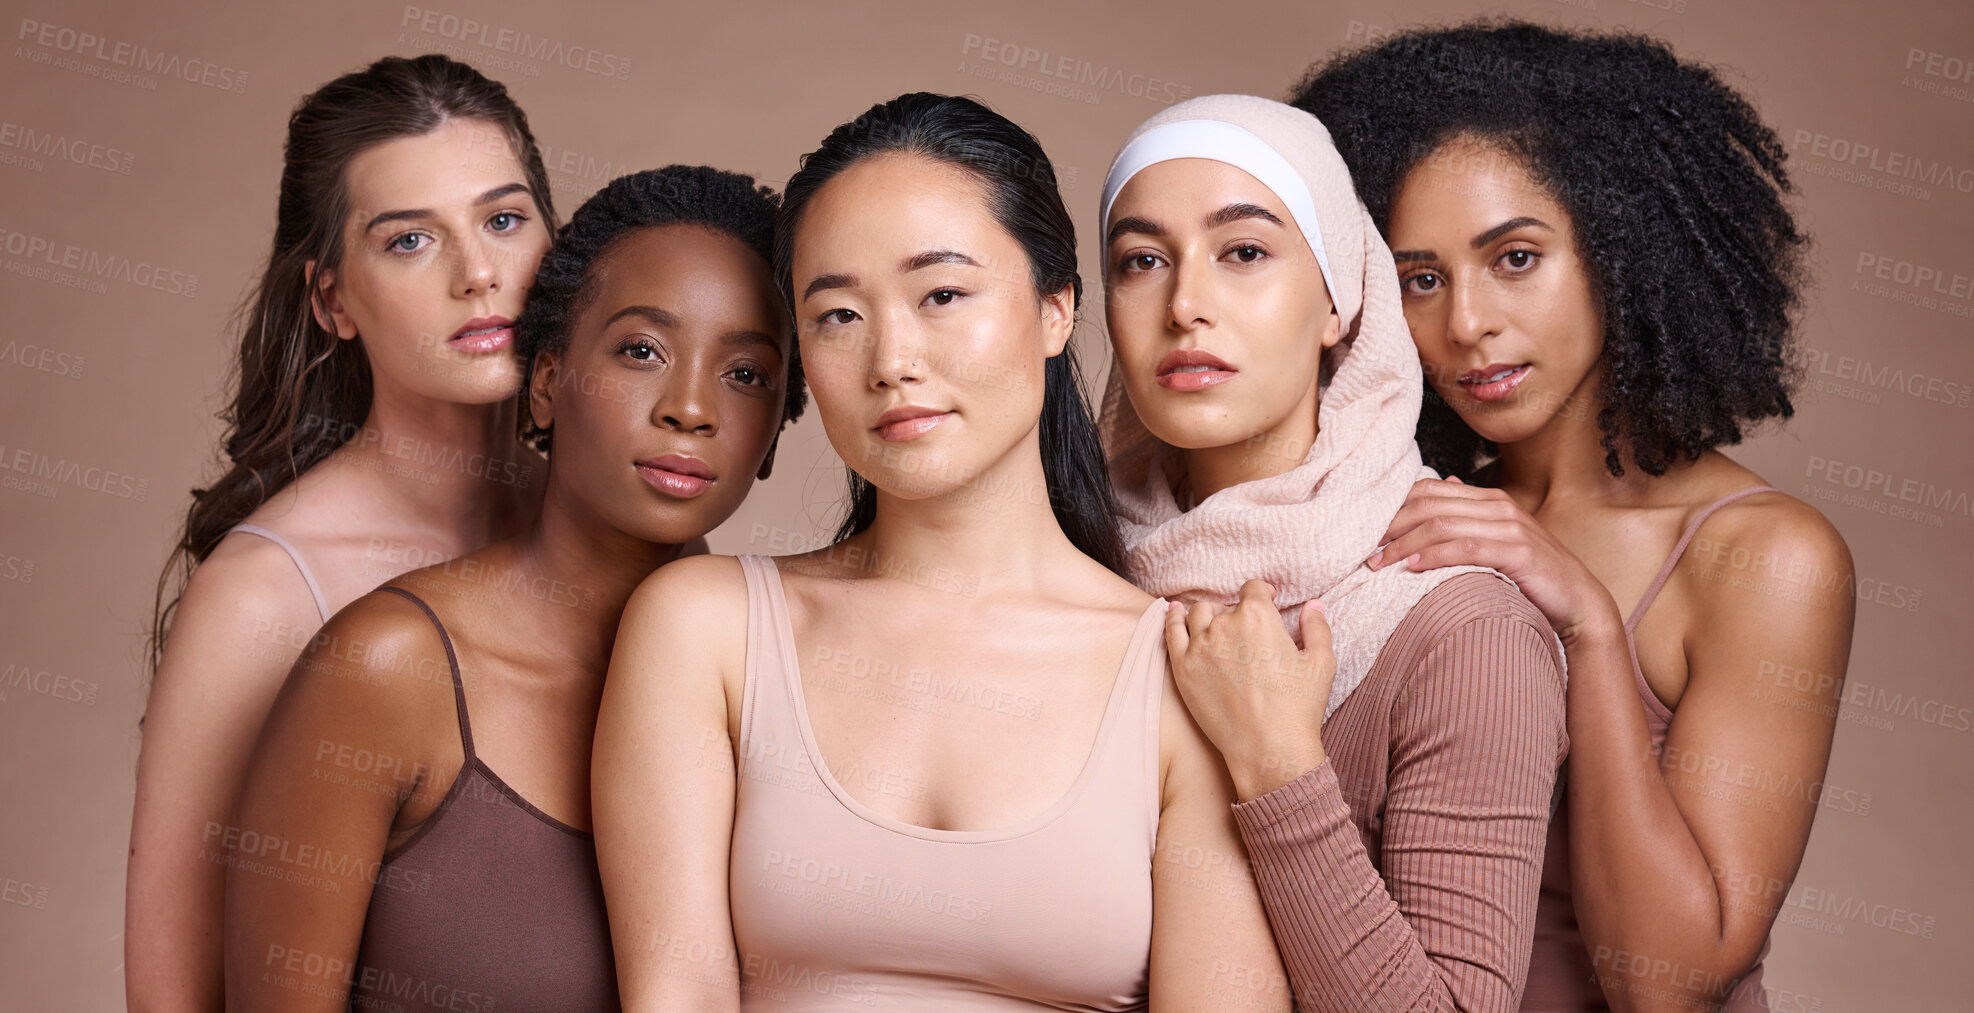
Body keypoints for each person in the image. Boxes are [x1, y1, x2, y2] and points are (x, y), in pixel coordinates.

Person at [592, 92, 1291, 1011]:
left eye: (942, 295)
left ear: (1055, 309)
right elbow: (673, 989)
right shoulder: (703, 626)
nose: (891, 358)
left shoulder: (1183, 669)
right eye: (839, 316)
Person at [1293, 21, 1855, 1011]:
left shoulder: (1762, 556)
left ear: (1622, 251)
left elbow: (1670, 980)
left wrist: (1589, 625)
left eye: (1514, 258)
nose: (1466, 322)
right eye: (1421, 278)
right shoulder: (1396, 513)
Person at [221, 165, 803, 1012]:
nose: (690, 407)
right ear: (545, 380)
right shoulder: (387, 668)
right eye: (641, 350)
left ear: (777, 424)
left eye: (746, 373)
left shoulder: (792, 677)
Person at [1096, 93, 1570, 1012]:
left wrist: (1278, 761)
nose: (1186, 304)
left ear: (1338, 301)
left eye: (1244, 252)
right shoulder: (1075, 565)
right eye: (1143, 261)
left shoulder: (1461, 630)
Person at [128, 54, 556, 1012]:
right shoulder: (265, 595)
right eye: (410, 241)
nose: (479, 272)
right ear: (332, 300)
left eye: (503, 218)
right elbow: (172, 994)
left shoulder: (619, 539)